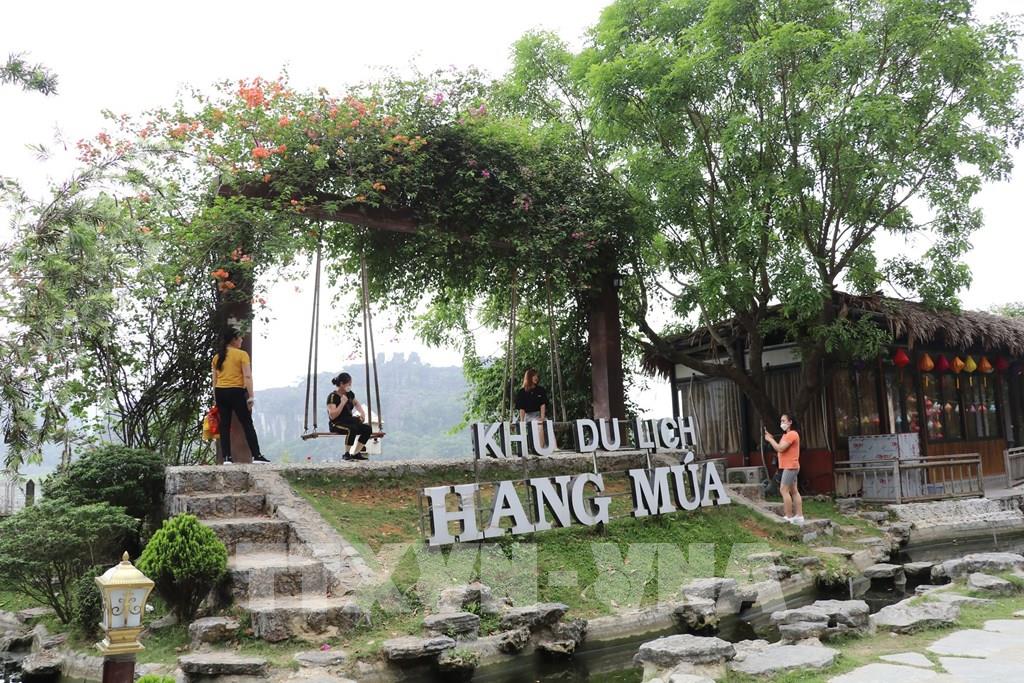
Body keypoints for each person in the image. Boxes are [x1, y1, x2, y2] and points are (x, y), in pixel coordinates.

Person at [212, 328, 269, 464]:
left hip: (220, 392)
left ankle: (227, 458)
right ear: (234, 339)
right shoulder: (242, 355)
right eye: (240, 338)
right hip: (236, 391)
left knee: (224, 425)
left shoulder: (217, 357)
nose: (242, 340)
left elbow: (214, 380)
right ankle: (256, 455)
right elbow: (247, 376)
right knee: (247, 423)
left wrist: (215, 398)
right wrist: (251, 396)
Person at [764, 413, 802, 525]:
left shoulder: (792, 434)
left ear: (790, 422)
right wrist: (771, 438)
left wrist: (770, 440)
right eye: (781, 421)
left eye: (784, 421)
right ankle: (799, 516)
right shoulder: (786, 435)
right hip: (789, 466)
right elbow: (780, 448)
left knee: (783, 490)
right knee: (794, 491)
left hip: (790, 467)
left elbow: (780, 448)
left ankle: (788, 516)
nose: (781, 423)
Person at [327, 372, 373, 460]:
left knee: (367, 429)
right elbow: (332, 416)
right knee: (352, 429)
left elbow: (356, 403)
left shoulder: (349, 394)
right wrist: (342, 403)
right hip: (336, 423)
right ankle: (346, 453)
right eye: (349, 384)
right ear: (341, 384)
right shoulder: (332, 397)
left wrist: (362, 413)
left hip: (348, 421)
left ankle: (356, 453)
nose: (350, 386)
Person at [514, 368, 549, 448]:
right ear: (529, 377)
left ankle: (554, 447)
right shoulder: (522, 392)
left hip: (539, 414)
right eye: (534, 376)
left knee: (547, 423)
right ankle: (541, 447)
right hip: (528, 415)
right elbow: (522, 408)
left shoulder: (540, 390)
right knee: (539, 424)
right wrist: (522, 421)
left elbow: (543, 404)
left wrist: (542, 417)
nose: (536, 378)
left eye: (537, 376)